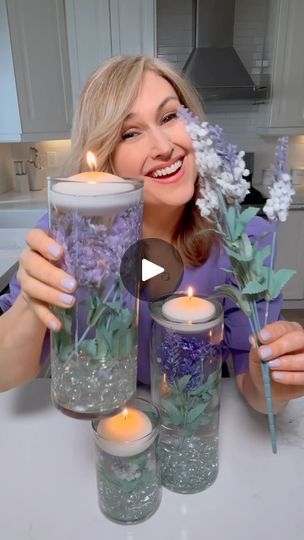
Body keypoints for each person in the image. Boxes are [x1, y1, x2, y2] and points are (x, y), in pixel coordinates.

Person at [0, 55, 304, 414]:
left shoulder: (244, 240)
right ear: (107, 157)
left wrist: (272, 380)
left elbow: (252, 383)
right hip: (100, 423)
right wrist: (31, 304)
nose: (163, 146)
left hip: (191, 422)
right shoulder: (69, 238)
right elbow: (8, 373)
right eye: (130, 133)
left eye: (169, 116)